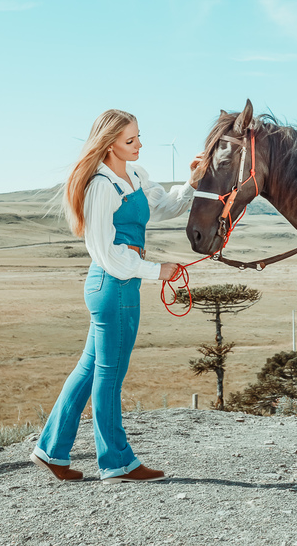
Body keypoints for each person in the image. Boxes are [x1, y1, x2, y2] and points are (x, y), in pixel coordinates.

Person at [31, 109, 199, 484]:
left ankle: (51, 450)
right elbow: (107, 253)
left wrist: (191, 182)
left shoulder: (135, 175)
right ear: (109, 146)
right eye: (130, 140)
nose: (139, 145)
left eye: (139, 137)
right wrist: (159, 270)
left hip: (119, 285)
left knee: (89, 370)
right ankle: (117, 462)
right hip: (113, 286)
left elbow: (166, 207)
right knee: (109, 377)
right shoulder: (101, 187)